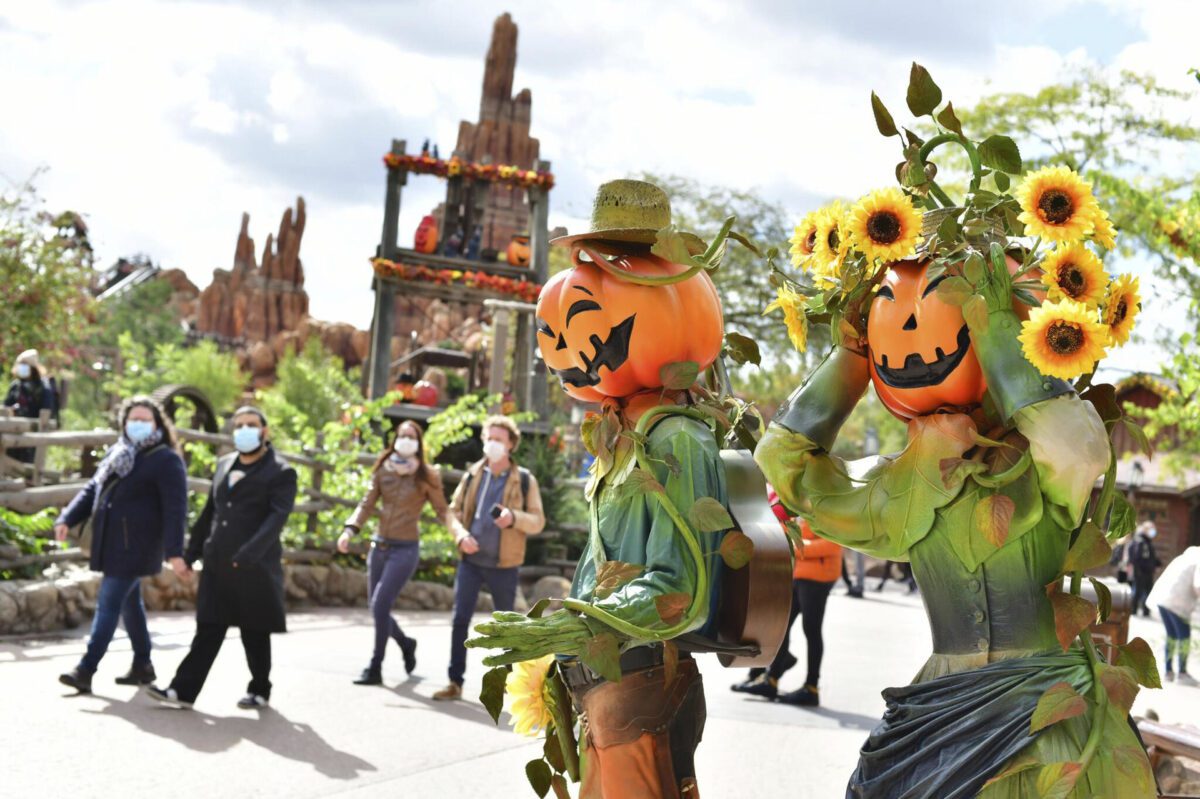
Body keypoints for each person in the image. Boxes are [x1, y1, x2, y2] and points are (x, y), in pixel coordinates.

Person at [148, 407, 297, 710]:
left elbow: (276, 519)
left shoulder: (281, 472)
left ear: (264, 432)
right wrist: (190, 555)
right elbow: (209, 514)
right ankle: (182, 691)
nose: (244, 430)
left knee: (253, 631)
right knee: (209, 628)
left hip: (252, 566)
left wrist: (248, 555)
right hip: (217, 563)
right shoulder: (224, 464)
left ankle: (260, 688)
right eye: (239, 425)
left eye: (251, 425)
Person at [53, 397, 189, 693]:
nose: (137, 424)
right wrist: (67, 517)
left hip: (137, 546)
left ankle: (86, 669)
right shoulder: (119, 453)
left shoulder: (165, 459)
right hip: (112, 542)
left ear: (157, 425)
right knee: (130, 604)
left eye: (145, 419)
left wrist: (176, 552)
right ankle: (143, 665)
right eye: (133, 419)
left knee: (109, 602)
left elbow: (176, 509)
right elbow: (93, 488)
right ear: (124, 422)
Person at [432, 414, 545, 701]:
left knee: (506, 626)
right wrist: (460, 536)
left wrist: (513, 518)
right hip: (470, 562)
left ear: (511, 445)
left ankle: (510, 685)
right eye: (489, 438)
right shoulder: (473, 474)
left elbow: (538, 521)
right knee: (460, 620)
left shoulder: (525, 480)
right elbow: (452, 512)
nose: (492, 444)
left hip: (504, 566)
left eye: (499, 439)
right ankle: (454, 682)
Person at [338, 421, 451, 685]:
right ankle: (406, 643)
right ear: (394, 439)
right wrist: (349, 530)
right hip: (379, 546)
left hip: (405, 548)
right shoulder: (384, 469)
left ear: (418, 443)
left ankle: (375, 666)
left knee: (379, 605)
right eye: (401, 436)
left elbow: (442, 510)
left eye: (411, 436)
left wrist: (459, 534)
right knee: (375, 607)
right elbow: (367, 503)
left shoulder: (426, 475)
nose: (405, 440)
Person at [733, 492, 840, 707]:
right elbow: (786, 533)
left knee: (811, 630)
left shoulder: (830, 507)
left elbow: (833, 545)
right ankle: (771, 679)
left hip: (818, 577)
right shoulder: (800, 503)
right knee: (780, 627)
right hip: (800, 574)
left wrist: (798, 544)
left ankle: (811, 687)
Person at [1147, 545, 1200, 686]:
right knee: (1184, 638)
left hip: (1163, 599)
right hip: (1178, 603)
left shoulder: (1184, 557)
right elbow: (1198, 585)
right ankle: (1182, 674)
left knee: (1172, 636)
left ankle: (1168, 672)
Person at [4, 349, 58, 463]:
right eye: (21, 364)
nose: (22, 367)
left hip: (32, 436)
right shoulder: (15, 386)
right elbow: (6, 406)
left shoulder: (43, 388)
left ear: (33, 367)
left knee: (28, 466)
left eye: (25, 364)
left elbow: (47, 412)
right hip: (13, 433)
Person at [1126, 521, 1162, 616]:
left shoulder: (1147, 542)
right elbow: (1137, 558)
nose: (1153, 531)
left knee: (1148, 591)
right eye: (1151, 529)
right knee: (1138, 591)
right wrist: (1142, 568)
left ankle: (1146, 611)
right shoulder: (1140, 541)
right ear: (1145, 529)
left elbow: (1150, 557)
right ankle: (1133, 610)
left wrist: (1156, 564)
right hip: (1141, 571)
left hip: (1148, 572)